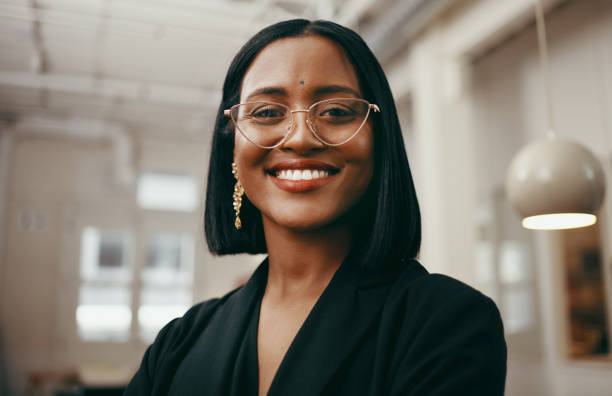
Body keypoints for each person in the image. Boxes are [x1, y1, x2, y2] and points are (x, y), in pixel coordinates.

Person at [124, 19, 507, 396]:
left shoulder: (446, 322)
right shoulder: (181, 340)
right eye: (267, 113)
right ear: (232, 149)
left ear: (379, 141)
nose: (301, 138)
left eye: (337, 112)